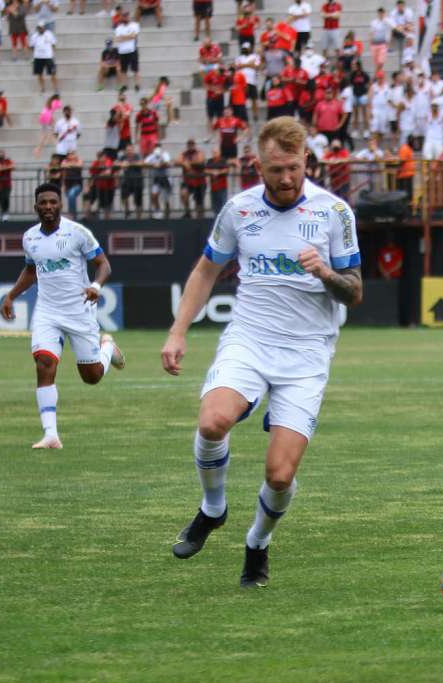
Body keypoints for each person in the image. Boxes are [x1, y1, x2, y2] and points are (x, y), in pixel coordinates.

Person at [161, 116, 362, 588]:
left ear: (306, 161)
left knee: (279, 474)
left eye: (293, 167)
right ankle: (212, 509)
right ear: (258, 165)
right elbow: (207, 270)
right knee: (212, 421)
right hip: (249, 338)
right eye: (276, 170)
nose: (286, 178)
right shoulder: (239, 210)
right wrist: (177, 332)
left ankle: (257, 543)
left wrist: (327, 275)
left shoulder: (334, 213)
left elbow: (354, 293)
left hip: (308, 353)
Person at [0, 183, 125, 450]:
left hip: (79, 311)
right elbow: (31, 271)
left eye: (53, 202)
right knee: (44, 363)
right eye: (43, 202)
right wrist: (11, 295)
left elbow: (103, 264)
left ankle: (107, 347)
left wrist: (96, 286)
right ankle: (50, 435)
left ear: (60, 205)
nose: (48, 207)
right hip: (48, 311)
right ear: (35, 207)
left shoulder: (78, 233)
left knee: (91, 376)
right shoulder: (30, 238)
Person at [177, 139, 206, 218]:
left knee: (199, 202)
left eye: (192, 144)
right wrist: (183, 163)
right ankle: (187, 211)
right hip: (187, 181)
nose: (190, 146)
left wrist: (188, 163)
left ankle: (199, 216)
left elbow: (200, 161)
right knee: (183, 194)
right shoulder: (184, 154)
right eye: (189, 144)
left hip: (199, 180)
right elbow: (177, 161)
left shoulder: (199, 152)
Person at [114, 14, 141, 91]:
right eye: (124, 16)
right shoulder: (118, 28)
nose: (125, 17)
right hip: (122, 51)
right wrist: (128, 36)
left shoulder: (135, 25)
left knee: (135, 69)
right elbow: (117, 39)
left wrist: (123, 37)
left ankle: (137, 84)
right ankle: (124, 85)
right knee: (123, 70)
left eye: (126, 16)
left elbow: (134, 36)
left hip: (132, 50)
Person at [29, 23, 59, 93]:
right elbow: (31, 46)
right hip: (38, 57)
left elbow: (54, 44)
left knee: (53, 73)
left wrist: (51, 54)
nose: (40, 29)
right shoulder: (34, 36)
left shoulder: (49, 34)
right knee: (39, 74)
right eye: (39, 28)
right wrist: (36, 54)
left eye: (41, 28)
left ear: (44, 28)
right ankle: (42, 88)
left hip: (48, 57)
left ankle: (55, 88)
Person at [144, 144, 172, 218]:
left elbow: (167, 162)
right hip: (157, 179)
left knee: (165, 198)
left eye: (158, 148)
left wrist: (160, 163)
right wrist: (153, 165)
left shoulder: (165, 154)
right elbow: (145, 162)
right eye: (156, 148)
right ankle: (158, 211)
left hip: (165, 178)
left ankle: (168, 212)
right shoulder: (152, 156)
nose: (157, 149)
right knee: (154, 195)